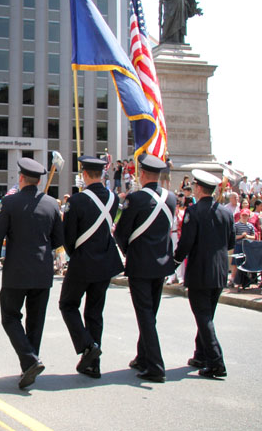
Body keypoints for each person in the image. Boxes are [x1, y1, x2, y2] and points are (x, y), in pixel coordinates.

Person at [0, 158, 64, 389]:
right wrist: (60, 262)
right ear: (39, 181)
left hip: (16, 273)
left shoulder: (10, 203)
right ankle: (30, 364)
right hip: (42, 272)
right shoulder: (52, 204)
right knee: (35, 322)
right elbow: (59, 242)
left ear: (21, 178)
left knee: (10, 317)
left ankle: (29, 360)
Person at [59, 156, 123, 380]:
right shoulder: (113, 199)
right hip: (104, 262)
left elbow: (68, 236)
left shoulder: (77, 201)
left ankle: (88, 346)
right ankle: (93, 365)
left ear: (84, 174)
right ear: (103, 174)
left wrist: (73, 253)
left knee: (67, 305)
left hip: (82, 261)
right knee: (95, 313)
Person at [115, 154, 176, 383]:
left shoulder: (136, 198)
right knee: (151, 314)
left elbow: (122, 232)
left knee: (145, 315)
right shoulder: (170, 198)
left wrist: (127, 251)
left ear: (142, 174)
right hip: (161, 264)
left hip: (140, 263)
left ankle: (156, 366)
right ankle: (143, 356)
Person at [173, 169, 234, 378]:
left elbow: (186, 243)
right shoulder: (226, 212)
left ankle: (216, 362)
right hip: (219, 270)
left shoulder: (194, 211)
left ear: (198, 188)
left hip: (200, 269)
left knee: (203, 316)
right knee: (207, 315)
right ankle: (200, 354)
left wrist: (174, 260)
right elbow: (231, 242)